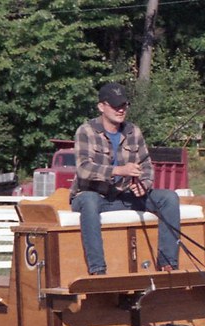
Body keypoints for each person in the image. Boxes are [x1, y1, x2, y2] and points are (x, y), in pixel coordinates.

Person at [69, 82, 181, 275]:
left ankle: (167, 264)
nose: (120, 110)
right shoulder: (85, 131)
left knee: (169, 198)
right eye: (114, 105)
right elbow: (83, 169)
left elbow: (146, 164)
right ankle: (98, 270)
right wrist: (119, 170)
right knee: (88, 200)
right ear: (101, 106)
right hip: (94, 196)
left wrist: (144, 185)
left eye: (123, 105)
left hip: (124, 196)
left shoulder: (133, 131)